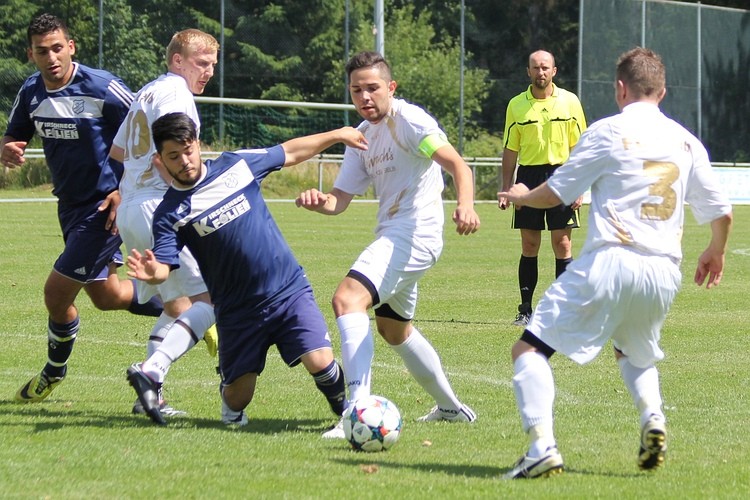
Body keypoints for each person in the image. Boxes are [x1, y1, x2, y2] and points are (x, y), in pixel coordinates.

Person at [497, 47, 733, 479]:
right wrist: (715, 251)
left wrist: (520, 196)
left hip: (612, 258)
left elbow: (557, 192)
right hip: (664, 272)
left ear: (620, 89)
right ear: (662, 91)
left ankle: (541, 448)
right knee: (634, 353)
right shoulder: (686, 140)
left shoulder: (608, 131)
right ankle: (653, 420)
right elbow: (722, 213)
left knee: (528, 349)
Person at [125, 112, 367, 426]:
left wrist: (339, 134)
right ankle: (230, 404)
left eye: (188, 151)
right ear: (161, 159)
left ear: (198, 145)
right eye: (174, 156)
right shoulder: (169, 212)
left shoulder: (235, 165)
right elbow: (165, 267)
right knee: (238, 397)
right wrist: (152, 271)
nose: (184, 160)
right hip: (237, 310)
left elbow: (289, 151)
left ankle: (346, 413)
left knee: (320, 360)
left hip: (287, 289)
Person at [295, 51, 481, 439]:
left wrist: (465, 205)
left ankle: (354, 411)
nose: (365, 97)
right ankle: (451, 408)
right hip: (394, 235)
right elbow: (339, 201)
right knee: (395, 330)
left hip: (415, 234)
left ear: (391, 88)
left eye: (373, 88)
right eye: (356, 90)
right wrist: (319, 201)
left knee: (348, 299)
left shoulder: (409, 122)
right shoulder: (361, 137)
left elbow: (457, 165)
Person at [1, 14, 163, 403]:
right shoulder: (31, 92)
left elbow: (151, 133)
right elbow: (14, 135)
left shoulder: (103, 87)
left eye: (58, 48)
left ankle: (53, 372)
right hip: (70, 208)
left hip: (106, 207)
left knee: (56, 295)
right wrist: (7, 148)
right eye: (42, 51)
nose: (51, 57)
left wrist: (126, 190)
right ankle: (190, 310)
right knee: (107, 296)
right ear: (31, 54)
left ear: (71, 47)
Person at [110, 29, 219, 419]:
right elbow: (172, 154)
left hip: (133, 208)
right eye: (201, 64)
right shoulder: (177, 96)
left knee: (176, 305)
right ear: (178, 61)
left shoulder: (149, 91)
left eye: (212, 66)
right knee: (212, 299)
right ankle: (151, 374)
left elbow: (119, 150)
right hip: (159, 207)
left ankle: (148, 398)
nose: (208, 73)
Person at [498, 50, 587, 327]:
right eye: (535, 68)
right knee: (530, 243)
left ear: (554, 71)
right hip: (528, 177)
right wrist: (506, 187)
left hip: (563, 175)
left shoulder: (570, 102)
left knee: (562, 243)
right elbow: (510, 149)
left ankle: (563, 310)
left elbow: (581, 147)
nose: (540, 72)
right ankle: (525, 309)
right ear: (528, 71)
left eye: (545, 67)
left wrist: (580, 185)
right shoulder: (516, 105)